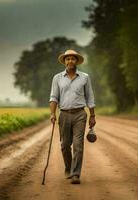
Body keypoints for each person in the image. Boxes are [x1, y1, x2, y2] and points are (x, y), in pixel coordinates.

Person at [49, 49, 96, 184]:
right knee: (64, 145)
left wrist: (92, 115)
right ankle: (68, 169)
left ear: (77, 62)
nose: (70, 61)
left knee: (78, 145)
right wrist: (53, 114)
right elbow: (53, 97)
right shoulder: (57, 78)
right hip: (63, 114)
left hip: (80, 114)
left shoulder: (84, 77)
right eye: (68, 59)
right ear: (64, 62)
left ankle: (75, 174)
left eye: (73, 59)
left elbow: (90, 97)